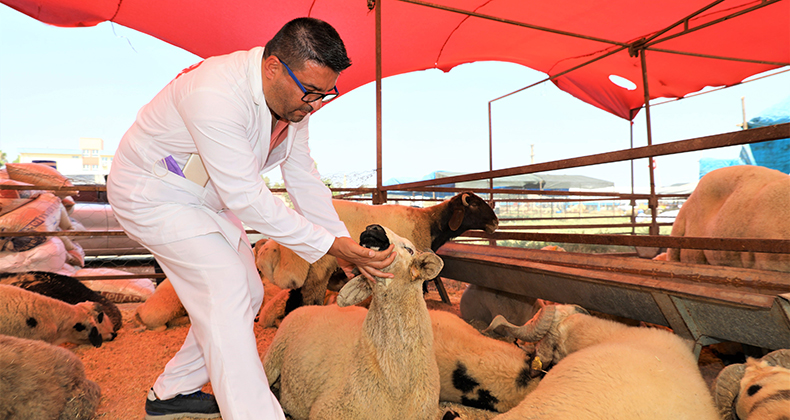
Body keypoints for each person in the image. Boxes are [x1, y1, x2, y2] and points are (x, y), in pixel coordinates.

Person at [107, 17, 395, 420]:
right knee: (226, 287)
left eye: (324, 95)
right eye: (310, 92)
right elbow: (245, 195)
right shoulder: (215, 92)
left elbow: (303, 177)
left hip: (207, 197)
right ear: (273, 66)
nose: (313, 105)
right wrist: (327, 245)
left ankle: (172, 392)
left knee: (249, 292)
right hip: (154, 190)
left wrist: (339, 244)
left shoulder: (294, 104)